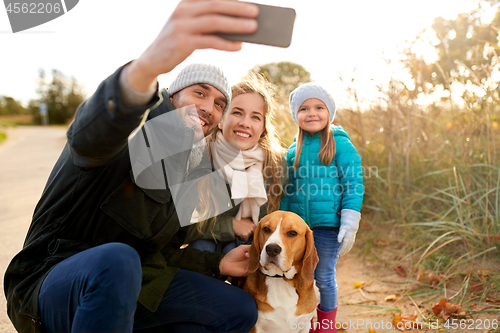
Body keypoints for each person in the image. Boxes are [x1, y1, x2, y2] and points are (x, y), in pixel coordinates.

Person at [3, 1, 262, 333]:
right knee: (118, 260)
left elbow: (165, 253)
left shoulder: (195, 170)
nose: (209, 107)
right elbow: (91, 135)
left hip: (133, 287)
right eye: (200, 92)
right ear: (171, 96)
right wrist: (147, 67)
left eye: (219, 104)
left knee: (238, 309)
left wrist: (218, 262)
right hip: (51, 284)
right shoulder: (130, 132)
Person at [280, 83, 364, 333]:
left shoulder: (340, 144)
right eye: (304, 108)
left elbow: (353, 183)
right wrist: (281, 224)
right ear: (296, 115)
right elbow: (287, 190)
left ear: (330, 113)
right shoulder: (292, 151)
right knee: (296, 275)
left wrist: (349, 221)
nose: (312, 113)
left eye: (319, 107)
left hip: (327, 226)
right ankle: (299, 320)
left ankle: (326, 326)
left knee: (323, 277)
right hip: (298, 229)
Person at [185, 74, 285, 254]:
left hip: (252, 244)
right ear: (221, 120)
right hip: (207, 243)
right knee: (202, 247)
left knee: (245, 248)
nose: (245, 123)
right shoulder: (199, 155)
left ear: (263, 129)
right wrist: (231, 225)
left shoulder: (276, 164)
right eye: (237, 112)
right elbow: (180, 224)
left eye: (255, 117)